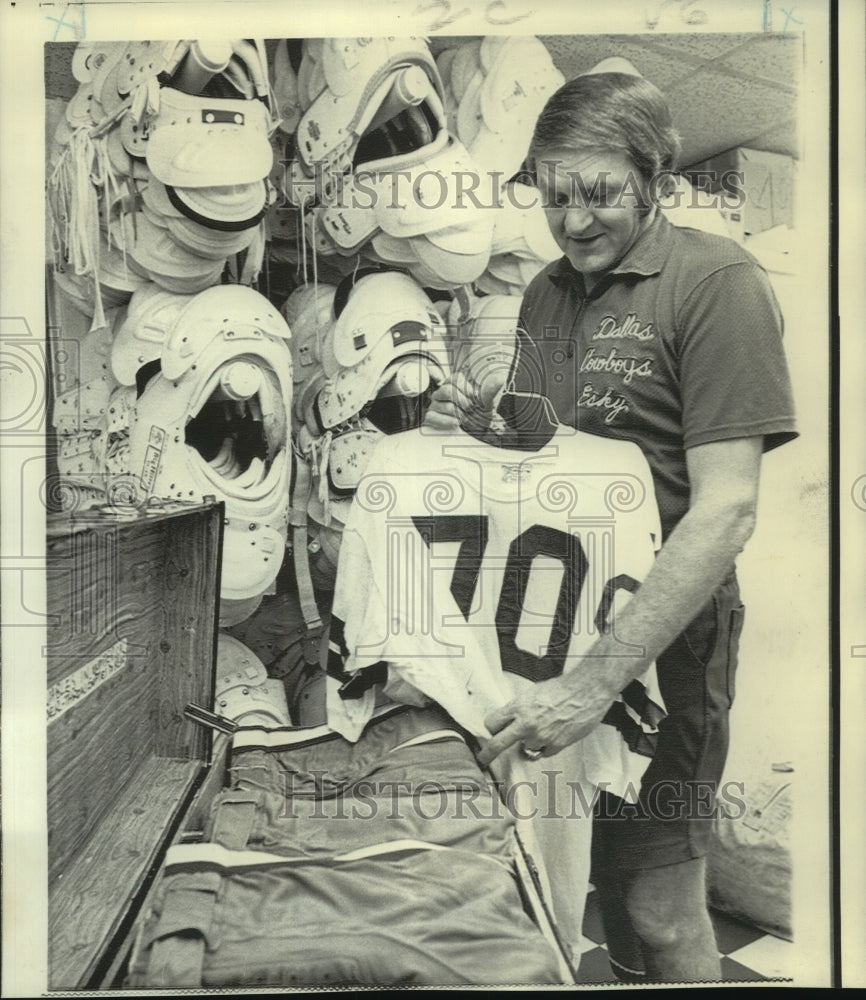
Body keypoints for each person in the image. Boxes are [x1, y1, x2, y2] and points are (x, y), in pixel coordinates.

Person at [424, 70, 798, 982]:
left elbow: (726, 507)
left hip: (664, 639)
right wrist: (482, 425)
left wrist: (596, 685)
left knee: (660, 909)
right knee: (594, 897)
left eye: (598, 195)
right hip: (556, 623)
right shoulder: (550, 294)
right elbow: (549, 442)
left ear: (653, 177)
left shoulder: (718, 284)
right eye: (554, 197)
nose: (574, 221)